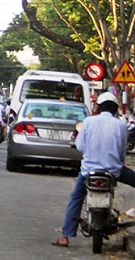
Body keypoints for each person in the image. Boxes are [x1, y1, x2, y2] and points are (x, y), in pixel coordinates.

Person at [52, 92, 135, 247]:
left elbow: (80, 146)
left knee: (76, 198)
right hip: (114, 171)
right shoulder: (121, 125)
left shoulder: (88, 122)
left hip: (88, 172)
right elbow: (122, 151)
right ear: (116, 109)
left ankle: (65, 236)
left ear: (97, 107)